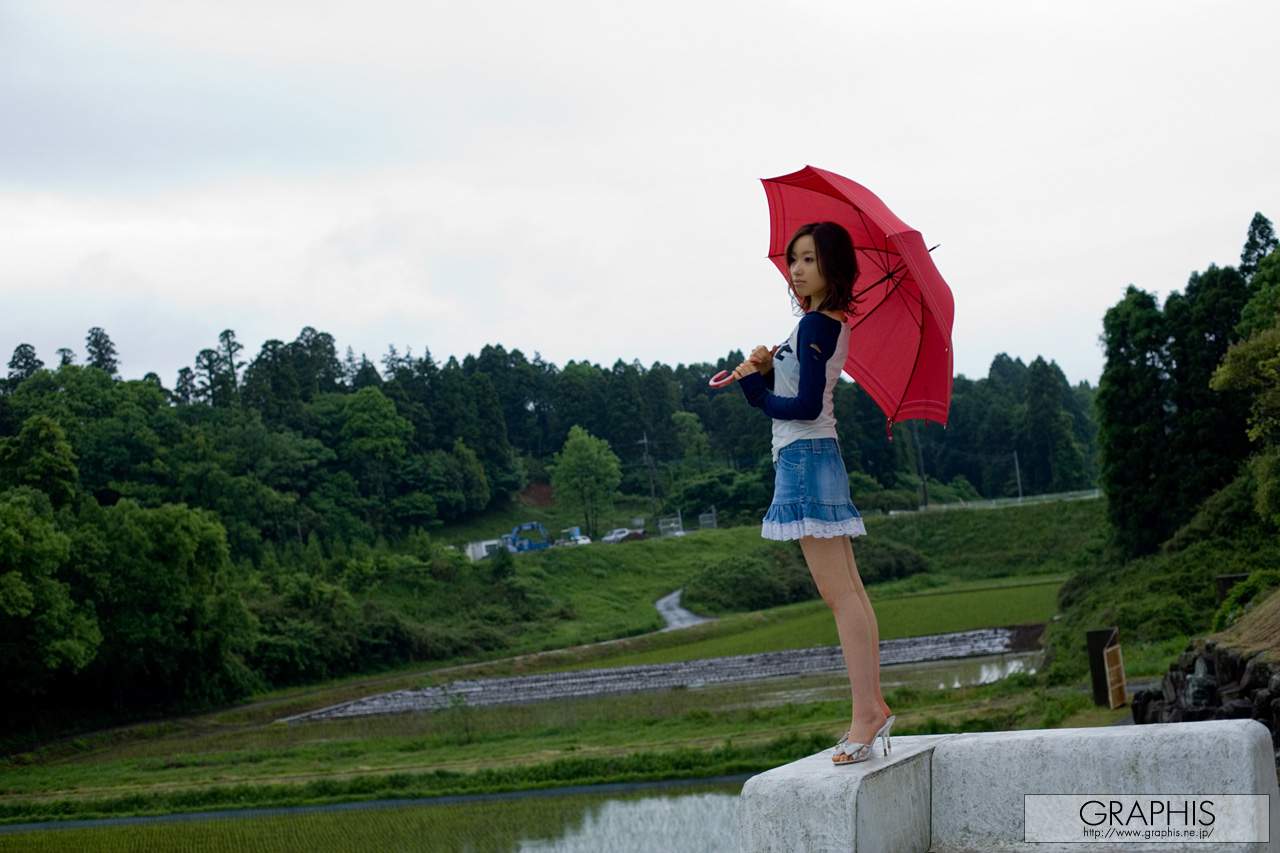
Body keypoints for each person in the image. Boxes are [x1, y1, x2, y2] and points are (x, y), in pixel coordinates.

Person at [730, 221, 895, 765]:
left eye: (809, 259)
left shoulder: (817, 325)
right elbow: (801, 391)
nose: (797, 269)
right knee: (850, 591)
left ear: (833, 266)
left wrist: (753, 390)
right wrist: (766, 367)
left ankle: (866, 714)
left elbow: (801, 407)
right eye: (794, 259)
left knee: (840, 595)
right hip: (816, 455)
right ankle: (871, 707)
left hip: (804, 457)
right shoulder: (821, 322)